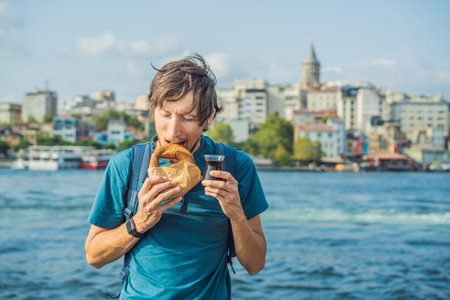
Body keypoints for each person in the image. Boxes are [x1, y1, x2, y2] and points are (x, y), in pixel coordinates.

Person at [85, 54, 269, 299]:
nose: (172, 131)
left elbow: (255, 265)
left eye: (187, 118)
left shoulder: (235, 166)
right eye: (165, 114)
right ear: (153, 110)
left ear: (208, 118)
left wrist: (236, 215)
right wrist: (139, 222)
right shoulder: (126, 166)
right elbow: (94, 257)